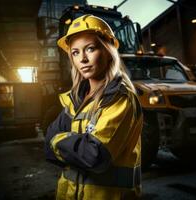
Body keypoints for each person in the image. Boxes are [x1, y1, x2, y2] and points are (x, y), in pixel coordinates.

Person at [45, 14, 143, 200]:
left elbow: (95, 156)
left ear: (108, 51)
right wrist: (76, 144)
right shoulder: (74, 100)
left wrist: (58, 141)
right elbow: (47, 148)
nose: (82, 59)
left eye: (90, 49)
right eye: (75, 52)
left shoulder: (119, 98)